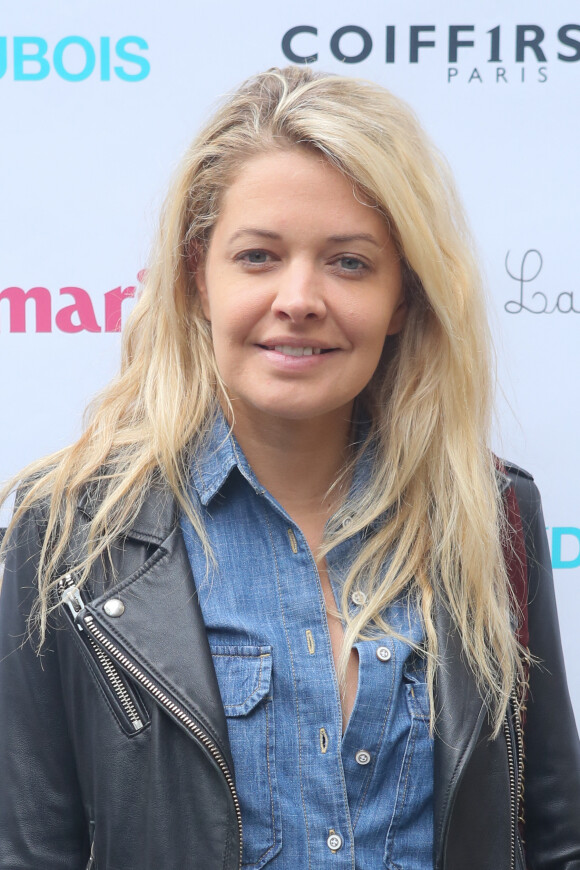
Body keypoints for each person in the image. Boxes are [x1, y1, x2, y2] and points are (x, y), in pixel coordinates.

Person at [0, 66, 579, 870]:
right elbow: (29, 849)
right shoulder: (66, 531)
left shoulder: (492, 515)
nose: (299, 297)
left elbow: (554, 837)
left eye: (349, 263)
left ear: (403, 299)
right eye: (260, 256)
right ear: (199, 276)